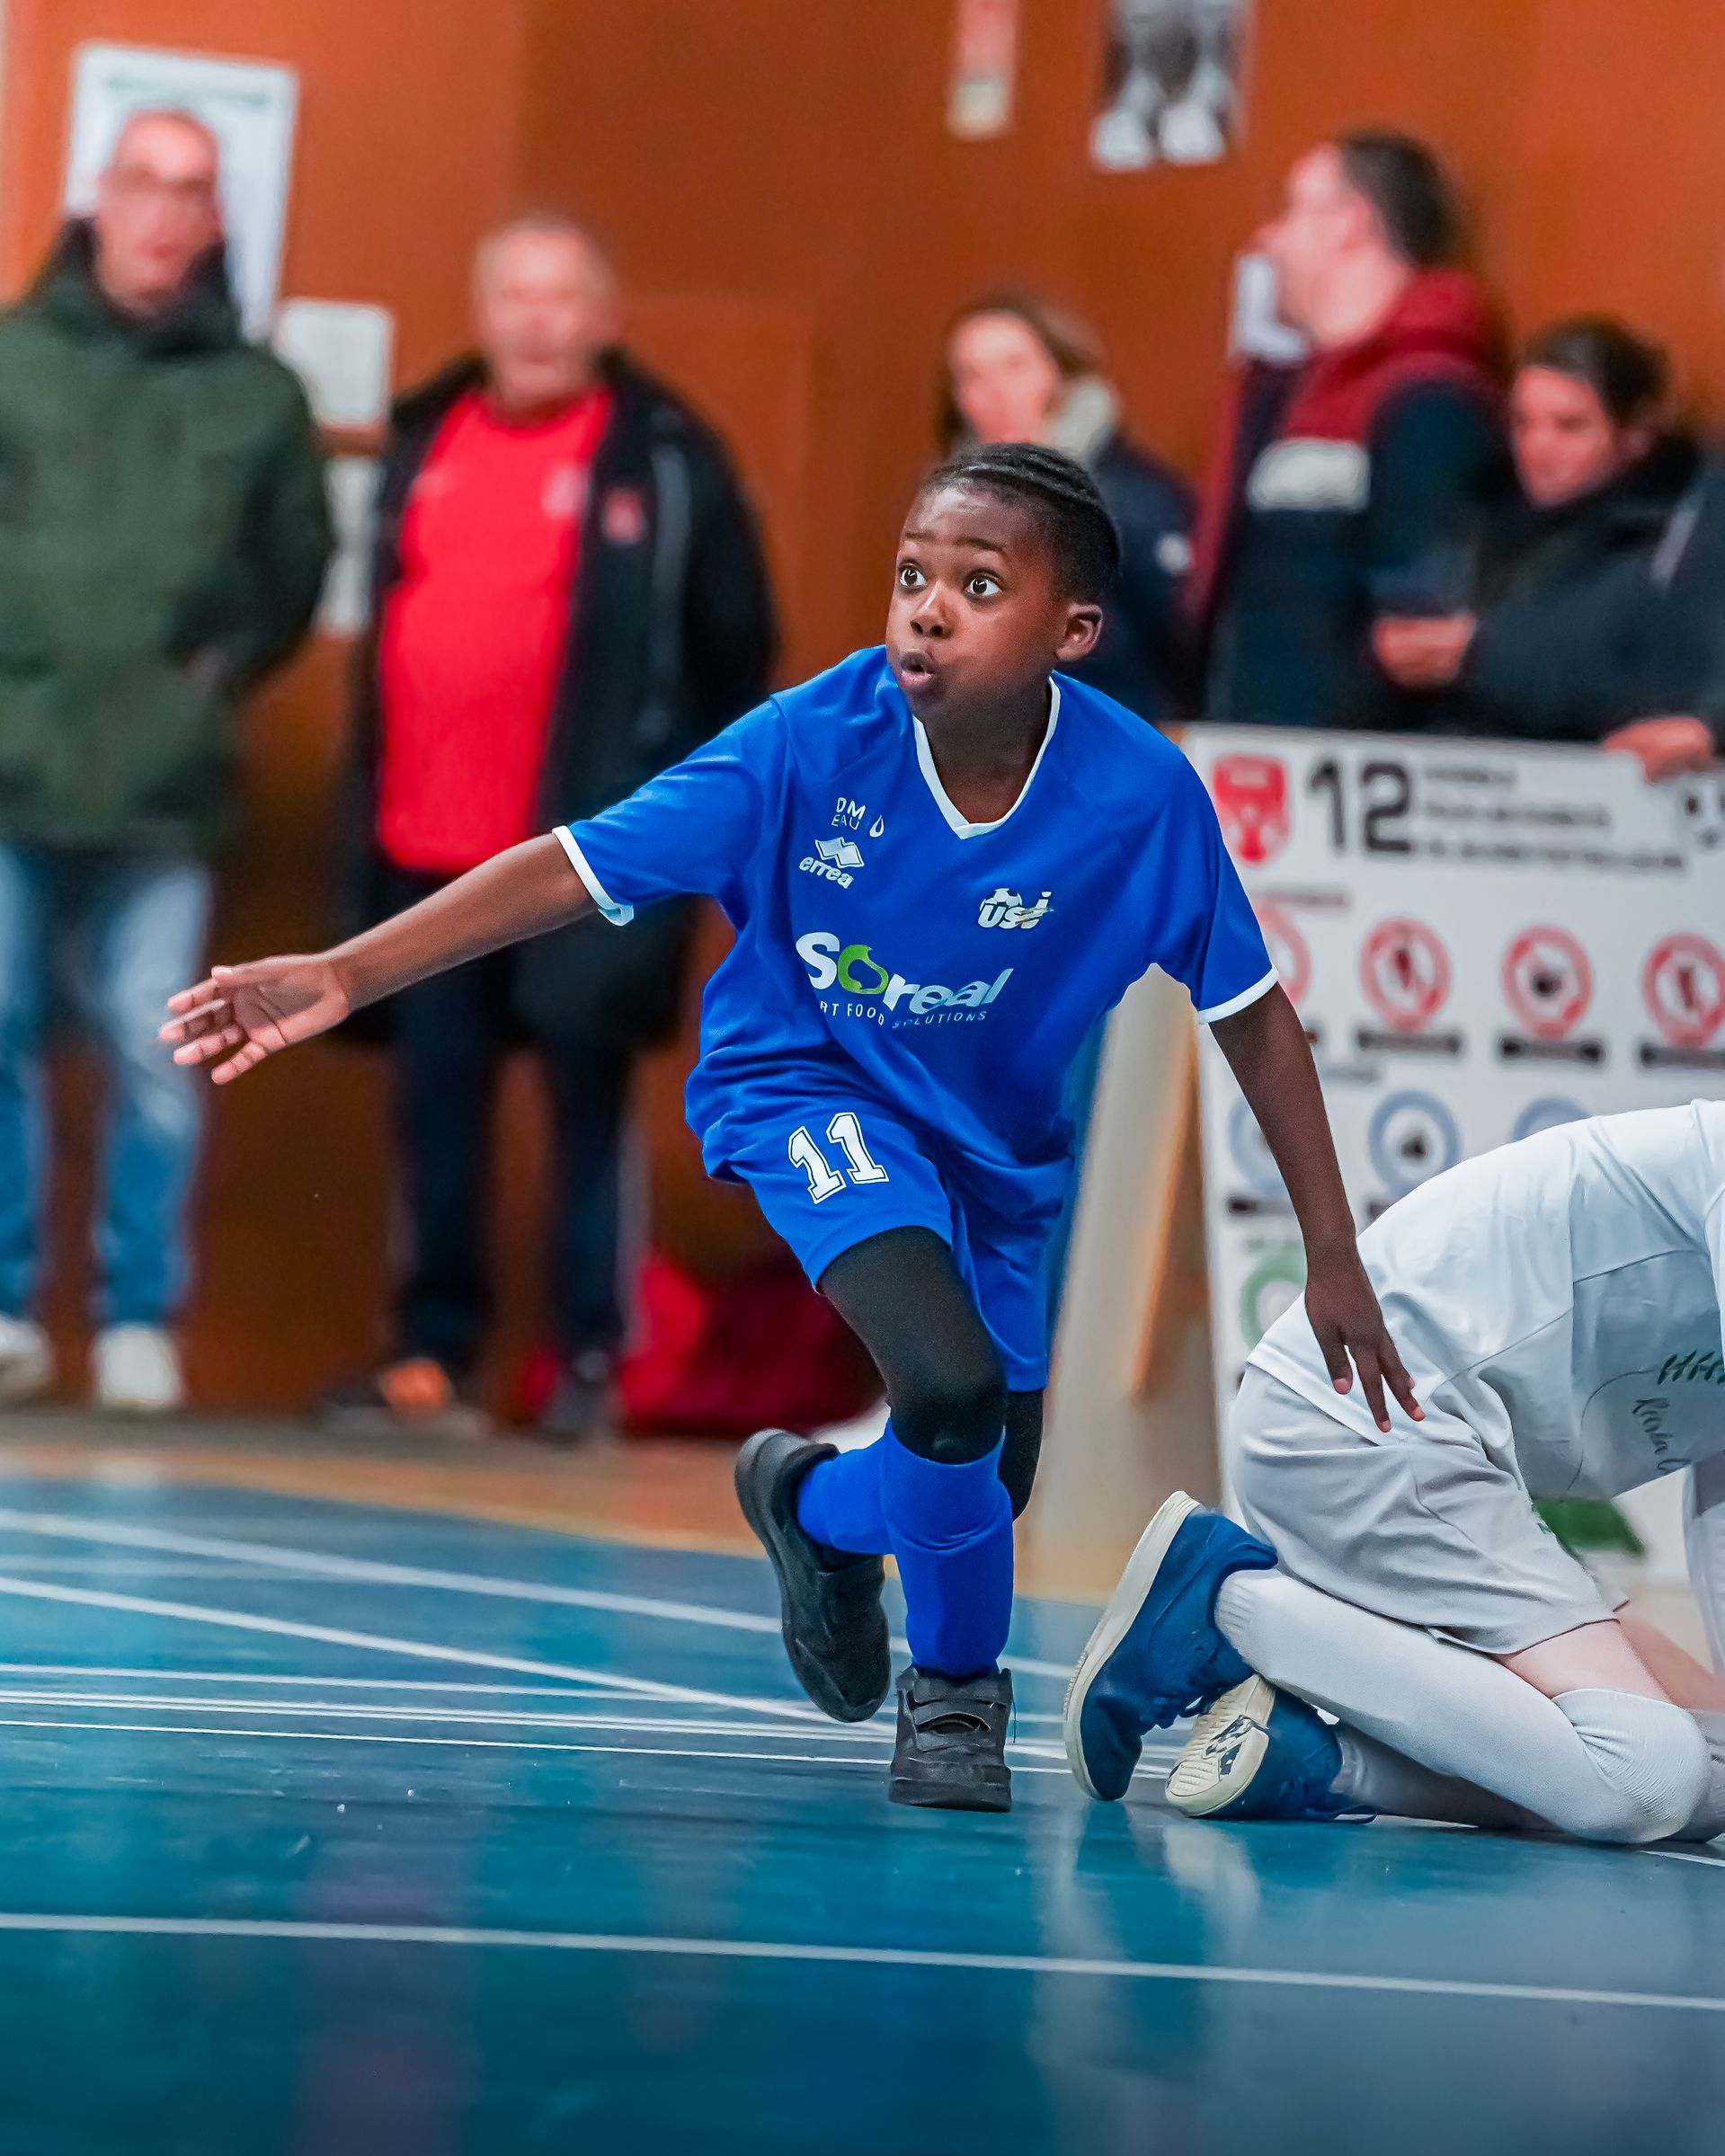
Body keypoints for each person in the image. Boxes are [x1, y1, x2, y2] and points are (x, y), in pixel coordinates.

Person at [162, 442, 1414, 1813]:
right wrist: (346, 972)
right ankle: (955, 1698)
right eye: (910, 574)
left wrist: (1330, 1249)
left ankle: (810, 1505)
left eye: (976, 585)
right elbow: (574, 864)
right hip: (806, 1088)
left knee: (986, 1472)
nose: (925, 609)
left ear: (1070, 632)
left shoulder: (1140, 796)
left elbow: (1249, 1013)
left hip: (994, 1153)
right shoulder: (805, 744)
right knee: (946, 1390)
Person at [334, 214, 777, 1438]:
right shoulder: (426, 434)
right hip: (425, 845)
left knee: (587, 1104)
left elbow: (735, 647)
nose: (535, 322)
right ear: (481, 314)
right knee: (435, 1109)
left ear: (604, 319)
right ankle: (432, 1357)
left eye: (560, 298)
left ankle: (589, 1355)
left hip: (593, 855)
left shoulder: (669, 456)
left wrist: (682, 815)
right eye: (513, 297)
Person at [1064, 1104, 1725, 1850]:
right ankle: (1226, 1603)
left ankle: (1311, 1755)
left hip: (1456, 1477)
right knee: (1647, 1776)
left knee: (1714, 1776)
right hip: (1360, 1425)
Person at [0, 109, 331, 1414]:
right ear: (99, 197)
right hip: (11, 768)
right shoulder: (15, 359)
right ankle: (8, 1309)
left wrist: (209, 681)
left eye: (191, 191)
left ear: (214, 220)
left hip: (167, 790)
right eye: (144, 183)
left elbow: (292, 573)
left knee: (159, 1049)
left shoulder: (260, 395)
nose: (163, 212)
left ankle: (140, 1316)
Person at [1188, 129, 1507, 732]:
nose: (1267, 239)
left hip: (1337, 763)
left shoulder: (1428, 399)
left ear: (1349, 223)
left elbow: (1418, 632)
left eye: (1289, 210)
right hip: (1255, 749)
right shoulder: (1284, 397)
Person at [1373, 316, 1713, 777]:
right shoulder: (1478, 520)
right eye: (1522, 424)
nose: (1538, 448)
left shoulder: (1679, 539)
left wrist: (1479, 658)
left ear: (1635, 436)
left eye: (1569, 427)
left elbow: (1648, 683)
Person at [940, 291, 1193, 728]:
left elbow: (1184, 646)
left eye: (1015, 367)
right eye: (972, 375)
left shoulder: (1132, 500)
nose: (996, 393)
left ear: (1064, 376)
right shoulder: (949, 512)